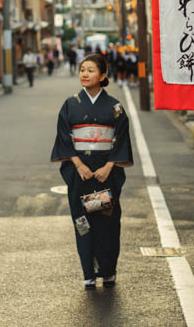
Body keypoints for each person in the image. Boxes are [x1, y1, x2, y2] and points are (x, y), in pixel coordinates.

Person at [51, 53, 133, 290]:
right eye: (82, 70)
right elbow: (64, 138)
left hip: (105, 175)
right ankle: (88, 271)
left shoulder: (114, 107)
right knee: (82, 221)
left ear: (103, 75)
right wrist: (78, 165)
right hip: (81, 175)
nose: (84, 74)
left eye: (90, 70)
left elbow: (121, 141)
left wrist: (109, 167)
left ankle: (107, 270)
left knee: (106, 222)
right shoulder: (70, 104)